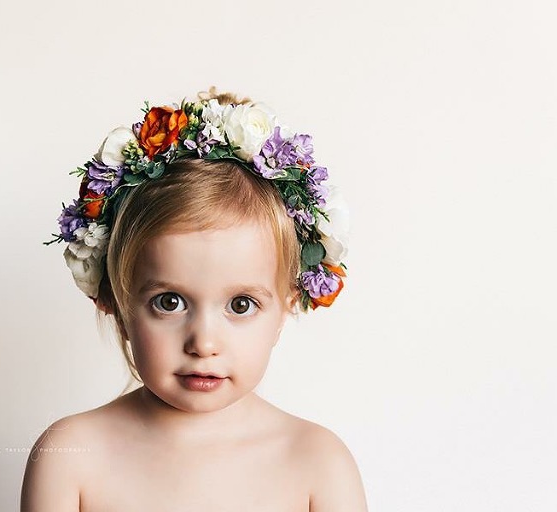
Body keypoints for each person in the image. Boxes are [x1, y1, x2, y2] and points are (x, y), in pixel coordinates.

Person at [21, 88, 368, 511]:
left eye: (240, 305)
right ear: (115, 299)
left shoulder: (318, 464)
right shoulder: (70, 457)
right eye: (169, 302)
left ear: (286, 305)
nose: (203, 343)